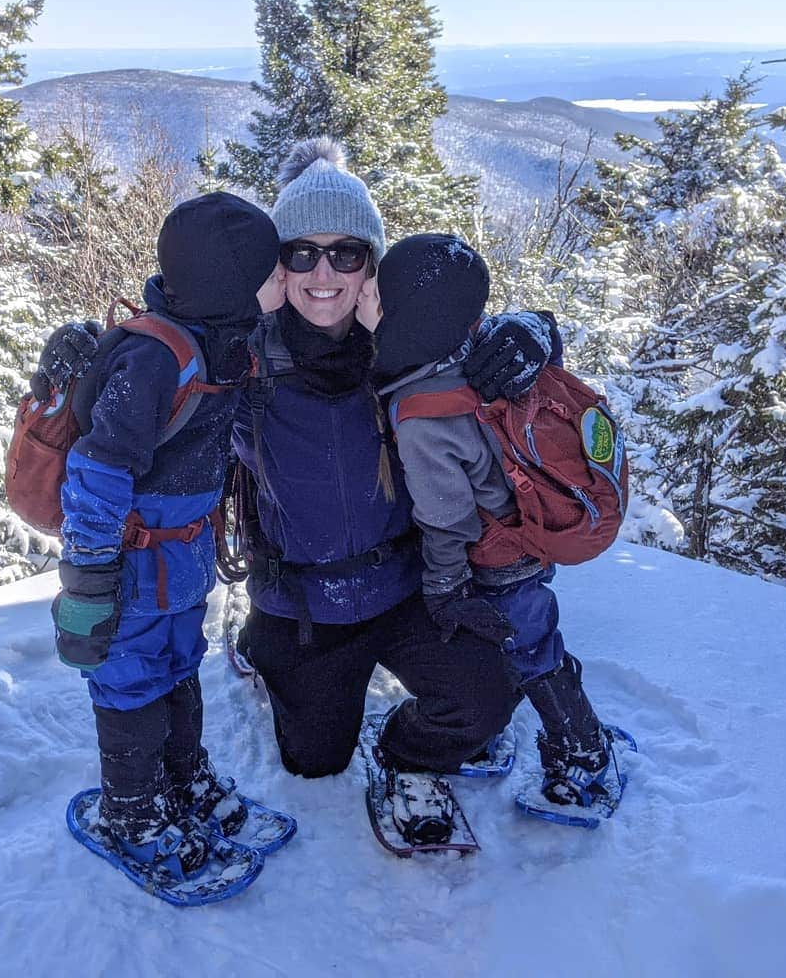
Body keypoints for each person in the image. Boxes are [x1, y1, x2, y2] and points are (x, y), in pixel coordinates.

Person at [230, 138, 558, 791]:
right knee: (314, 758)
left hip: (406, 586)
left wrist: (535, 333)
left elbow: (490, 332)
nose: (324, 276)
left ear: (371, 265)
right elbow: (165, 357)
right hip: (303, 601)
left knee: (486, 698)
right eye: (302, 253)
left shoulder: (408, 336)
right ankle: (260, 651)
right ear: (280, 269)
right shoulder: (241, 355)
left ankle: (404, 749)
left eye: (345, 254)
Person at [50, 191, 285, 877]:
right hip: (128, 569)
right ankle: (131, 810)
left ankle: (182, 781)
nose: (282, 284)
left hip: (180, 562)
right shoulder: (156, 361)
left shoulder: (224, 342)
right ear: (228, 283)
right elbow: (95, 471)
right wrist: (89, 582)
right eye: (268, 273)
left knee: (179, 670)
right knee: (129, 684)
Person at [356, 232, 612, 807]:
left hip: (496, 554)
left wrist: (445, 584)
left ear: (409, 314)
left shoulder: (423, 412)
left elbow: (446, 517)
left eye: (377, 290)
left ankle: (582, 749)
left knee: (525, 648)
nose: (364, 294)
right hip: (525, 535)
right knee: (532, 638)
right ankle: (533, 731)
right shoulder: (473, 360)